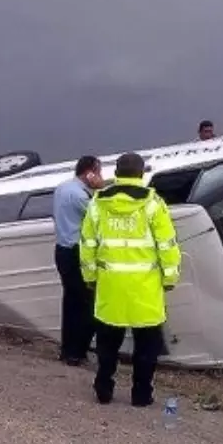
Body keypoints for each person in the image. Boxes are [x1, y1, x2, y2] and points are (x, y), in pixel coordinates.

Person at [80, 152, 180, 406]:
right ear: (141, 174)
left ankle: (104, 389)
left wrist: (90, 276)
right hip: (145, 288)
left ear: (116, 173)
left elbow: (87, 244)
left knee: (107, 345)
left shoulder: (97, 203)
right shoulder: (153, 203)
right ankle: (141, 394)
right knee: (147, 347)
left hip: (110, 286)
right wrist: (170, 277)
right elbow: (167, 245)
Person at [52, 155, 104, 366]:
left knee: (71, 302)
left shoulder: (62, 188)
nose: (100, 177)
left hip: (61, 249)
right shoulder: (81, 196)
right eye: (98, 172)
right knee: (88, 303)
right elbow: (98, 218)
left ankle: (68, 349)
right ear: (90, 172)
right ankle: (78, 352)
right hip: (76, 252)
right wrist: (100, 190)